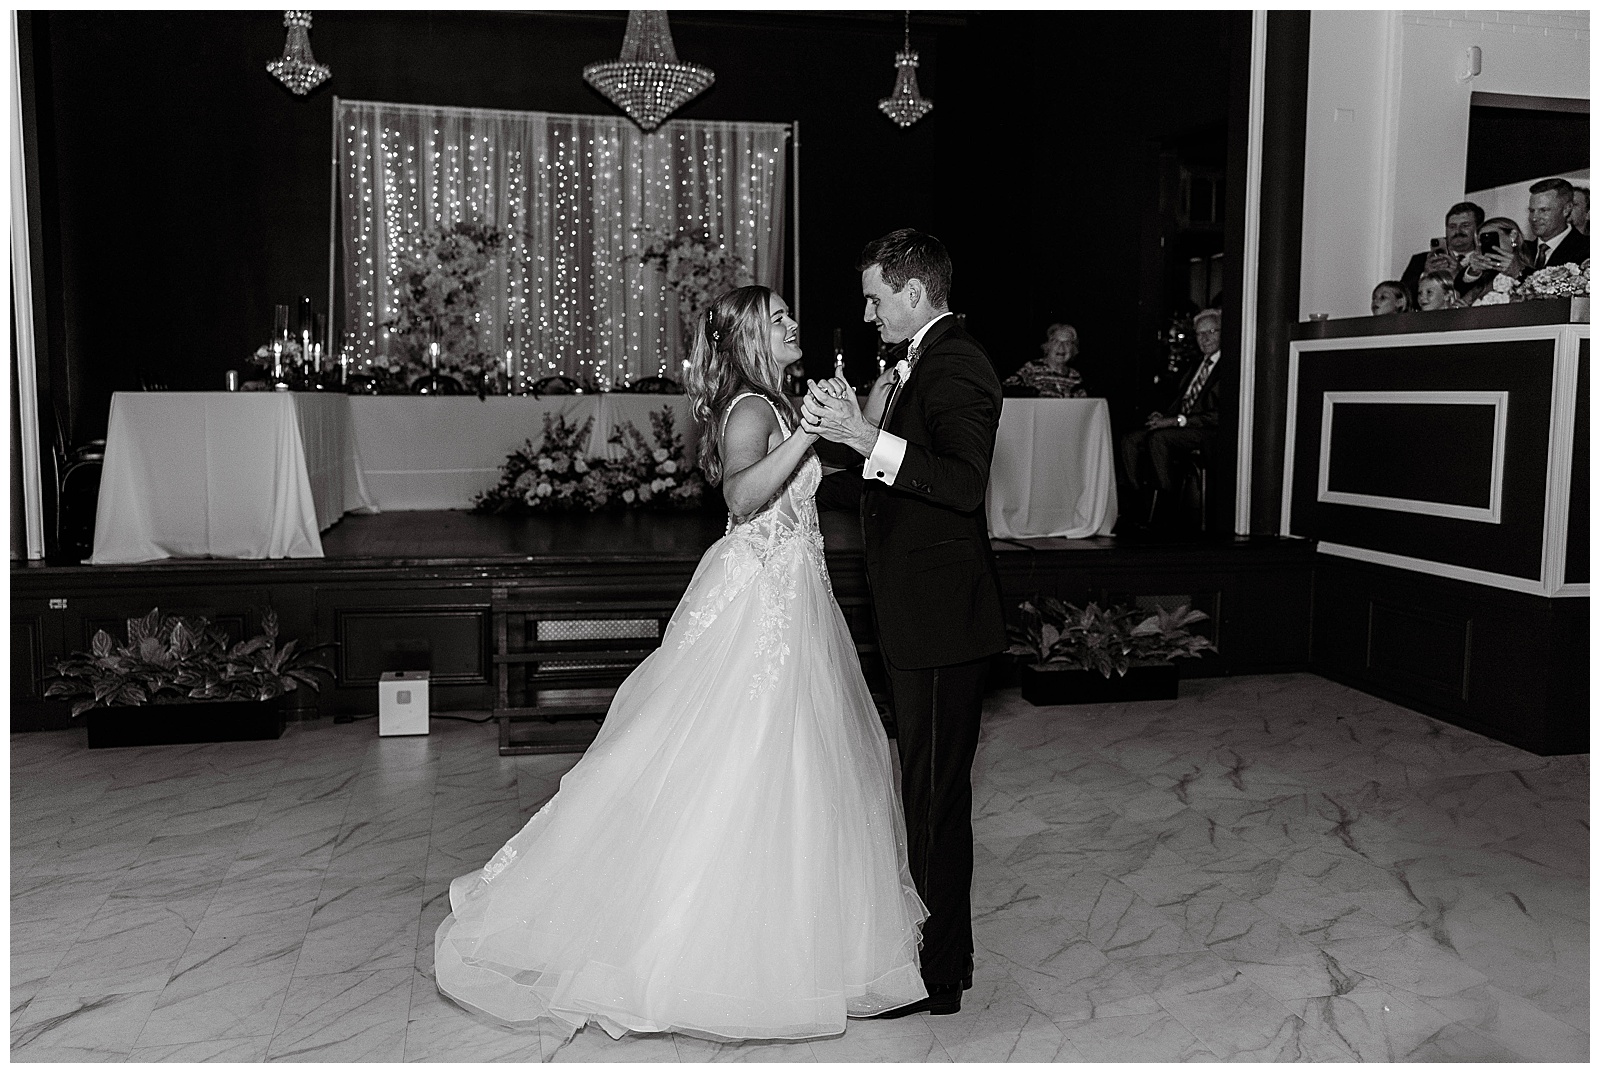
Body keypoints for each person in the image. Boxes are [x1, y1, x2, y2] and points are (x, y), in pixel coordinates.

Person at [433, 285, 929, 1042]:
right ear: (752, 337)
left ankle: (790, 947)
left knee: (788, 766)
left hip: (790, 599)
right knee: (740, 759)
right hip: (758, 602)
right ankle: (708, 956)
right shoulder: (753, 409)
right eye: (782, 318)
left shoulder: (774, 400)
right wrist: (811, 438)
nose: (796, 322)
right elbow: (742, 494)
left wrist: (862, 406)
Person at [800, 228, 1006, 1019]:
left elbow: (960, 484)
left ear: (915, 293)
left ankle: (940, 971)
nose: (866, 311)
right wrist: (825, 470)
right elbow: (897, 489)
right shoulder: (917, 361)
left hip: (945, 623)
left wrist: (864, 437)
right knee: (922, 787)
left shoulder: (960, 364)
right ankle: (938, 948)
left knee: (934, 797)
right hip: (918, 616)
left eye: (876, 297)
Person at [1118, 307, 1223, 525]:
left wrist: (1177, 421)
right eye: (1200, 334)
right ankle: (1136, 504)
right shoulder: (1195, 365)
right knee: (1130, 439)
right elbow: (1182, 400)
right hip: (1179, 424)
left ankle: (1165, 508)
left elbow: (1219, 415)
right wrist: (1165, 416)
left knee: (1159, 438)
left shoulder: (1228, 368)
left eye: (1212, 332)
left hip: (1206, 432)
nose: (1205, 338)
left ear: (1223, 332)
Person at [1400, 201, 1483, 306]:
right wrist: (1425, 275)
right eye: (1452, 227)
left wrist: (1460, 275)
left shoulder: (1485, 261)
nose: (1458, 231)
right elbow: (1401, 298)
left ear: (1478, 229)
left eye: (1465, 225)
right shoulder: (1421, 260)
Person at [1003, 322, 1088, 397]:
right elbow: (1006, 387)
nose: (1061, 347)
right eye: (1056, 342)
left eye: (1067, 343)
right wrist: (1033, 393)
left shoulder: (1075, 376)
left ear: (1074, 349)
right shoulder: (1032, 367)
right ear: (1047, 346)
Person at [1458, 216, 1530, 304]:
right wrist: (1474, 271)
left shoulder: (1533, 258)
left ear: (1513, 236)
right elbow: (1458, 287)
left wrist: (1516, 272)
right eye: (1482, 240)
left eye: (1491, 237)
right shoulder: (1485, 273)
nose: (1486, 244)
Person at [1524, 177, 1590, 269]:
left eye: (1544, 210)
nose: (1534, 218)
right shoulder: (1522, 251)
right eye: (1531, 211)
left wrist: (1518, 273)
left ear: (1566, 209)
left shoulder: (1587, 249)